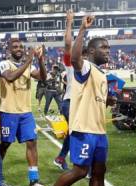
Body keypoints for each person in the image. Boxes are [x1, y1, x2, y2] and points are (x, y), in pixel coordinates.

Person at [38, 16, 115, 186]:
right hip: (84, 130)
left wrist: (109, 99)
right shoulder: (86, 67)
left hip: (99, 132)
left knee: (99, 174)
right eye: (103, 48)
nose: (108, 51)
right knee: (80, 171)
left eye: (108, 48)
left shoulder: (101, 74)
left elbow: (97, 97)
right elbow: (74, 58)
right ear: (91, 52)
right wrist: (82, 27)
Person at [0, 39, 48, 186]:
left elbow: (43, 78)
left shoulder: (29, 65)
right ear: (9, 50)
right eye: (15, 47)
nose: (18, 49)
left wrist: (40, 60)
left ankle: (34, 179)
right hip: (9, 112)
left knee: (32, 143)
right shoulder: (4, 64)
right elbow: (10, 77)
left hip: (26, 112)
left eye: (21, 47)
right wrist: (29, 60)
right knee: (5, 144)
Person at [53, 9, 74, 170]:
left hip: (78, 105)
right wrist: (69, 22)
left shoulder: (90, 68)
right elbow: (68, 44)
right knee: (78, 132)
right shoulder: (72, 64)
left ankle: (61, 158)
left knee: (75, 133)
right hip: (69, 103)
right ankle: (83, 166)